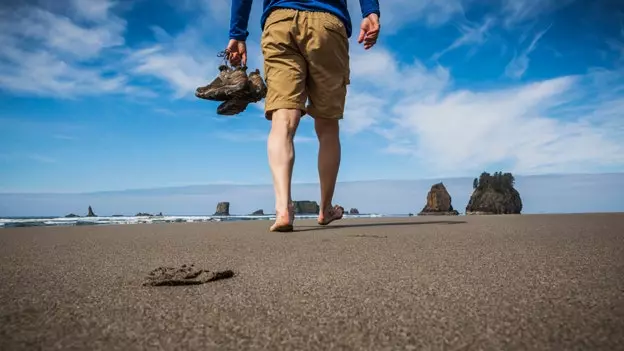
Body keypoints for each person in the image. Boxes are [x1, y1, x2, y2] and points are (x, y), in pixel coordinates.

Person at [225, 0, 380, 232]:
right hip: (328, 21)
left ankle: (283, 209)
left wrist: (237, 33)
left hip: (279, 22)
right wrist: (370, 11)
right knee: (327, 126)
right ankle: (326, 209)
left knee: (283, 119)